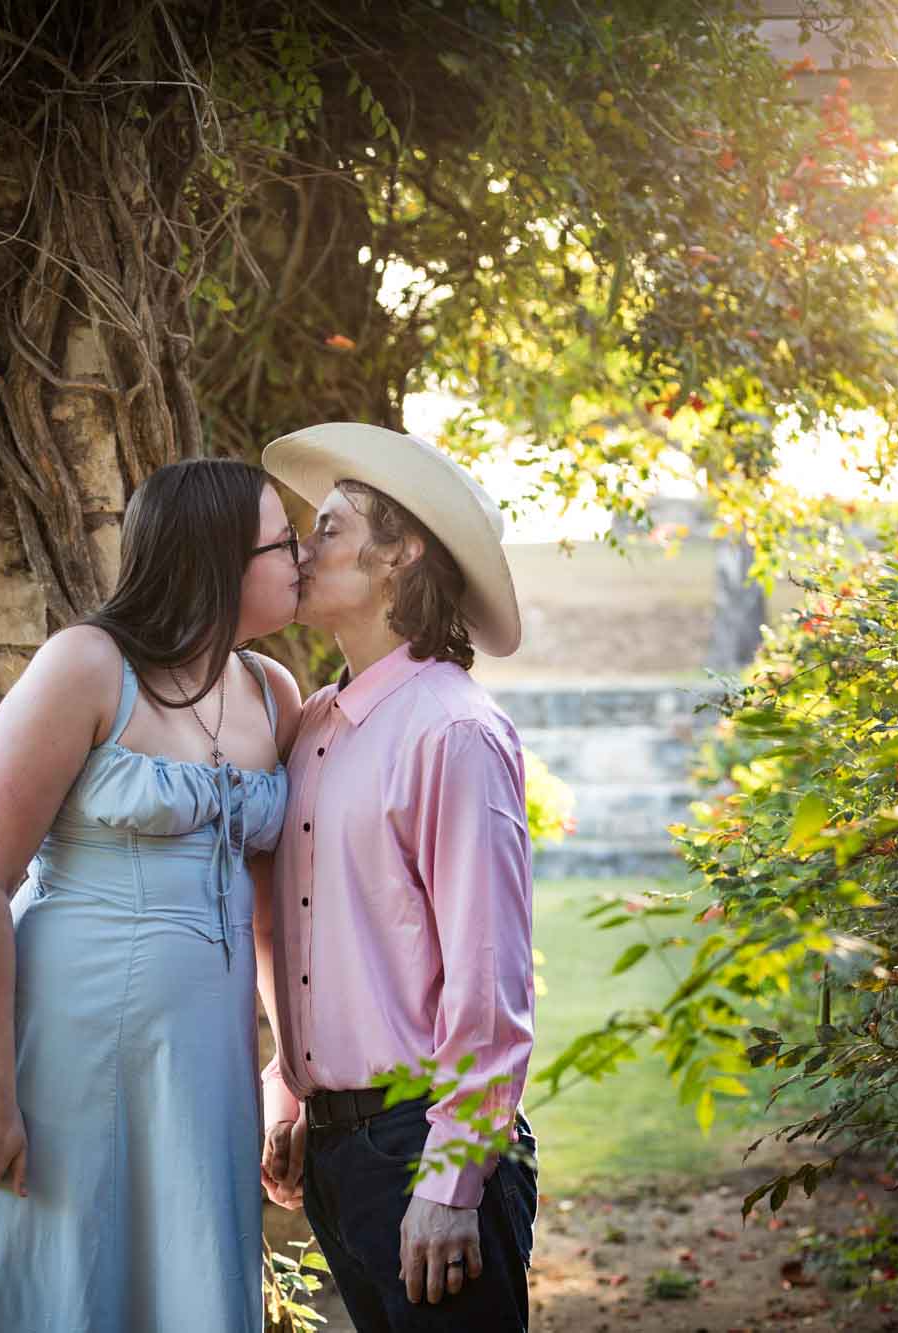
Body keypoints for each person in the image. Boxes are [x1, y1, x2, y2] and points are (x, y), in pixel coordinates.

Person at [0, 458, 305, 1332]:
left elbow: (270, 913)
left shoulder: (274, 694)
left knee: (180, 1273)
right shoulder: (87, 666)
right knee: (56, 1280)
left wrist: (289, 1067)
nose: (300, 557)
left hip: (200, 1060)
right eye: (283, 542)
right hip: (58, 1048)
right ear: (218, 562)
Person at [254, 422, 538, 1332]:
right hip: (340, 1152)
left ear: (400, 551)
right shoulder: (314, 726)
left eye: (329, 528)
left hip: (427, 1148)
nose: (303, 549)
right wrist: (297, 1093)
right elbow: (305, 935)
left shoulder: (452, 731)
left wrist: (452, 1181)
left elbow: (491, 982)